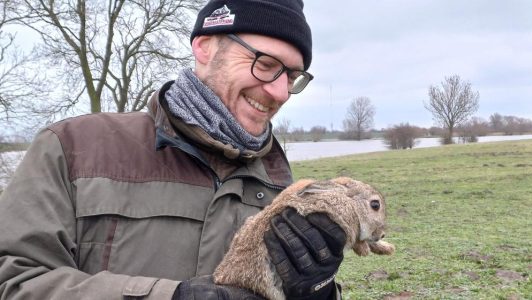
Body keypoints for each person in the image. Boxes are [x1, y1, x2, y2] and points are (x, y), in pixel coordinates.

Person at [0, 0, 346, 299]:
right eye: (266, 64)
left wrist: (318, 291)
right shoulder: (73, 148)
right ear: (205, 47)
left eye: (292, 76)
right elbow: (14, 281)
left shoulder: (279, 183)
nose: (280, 92)